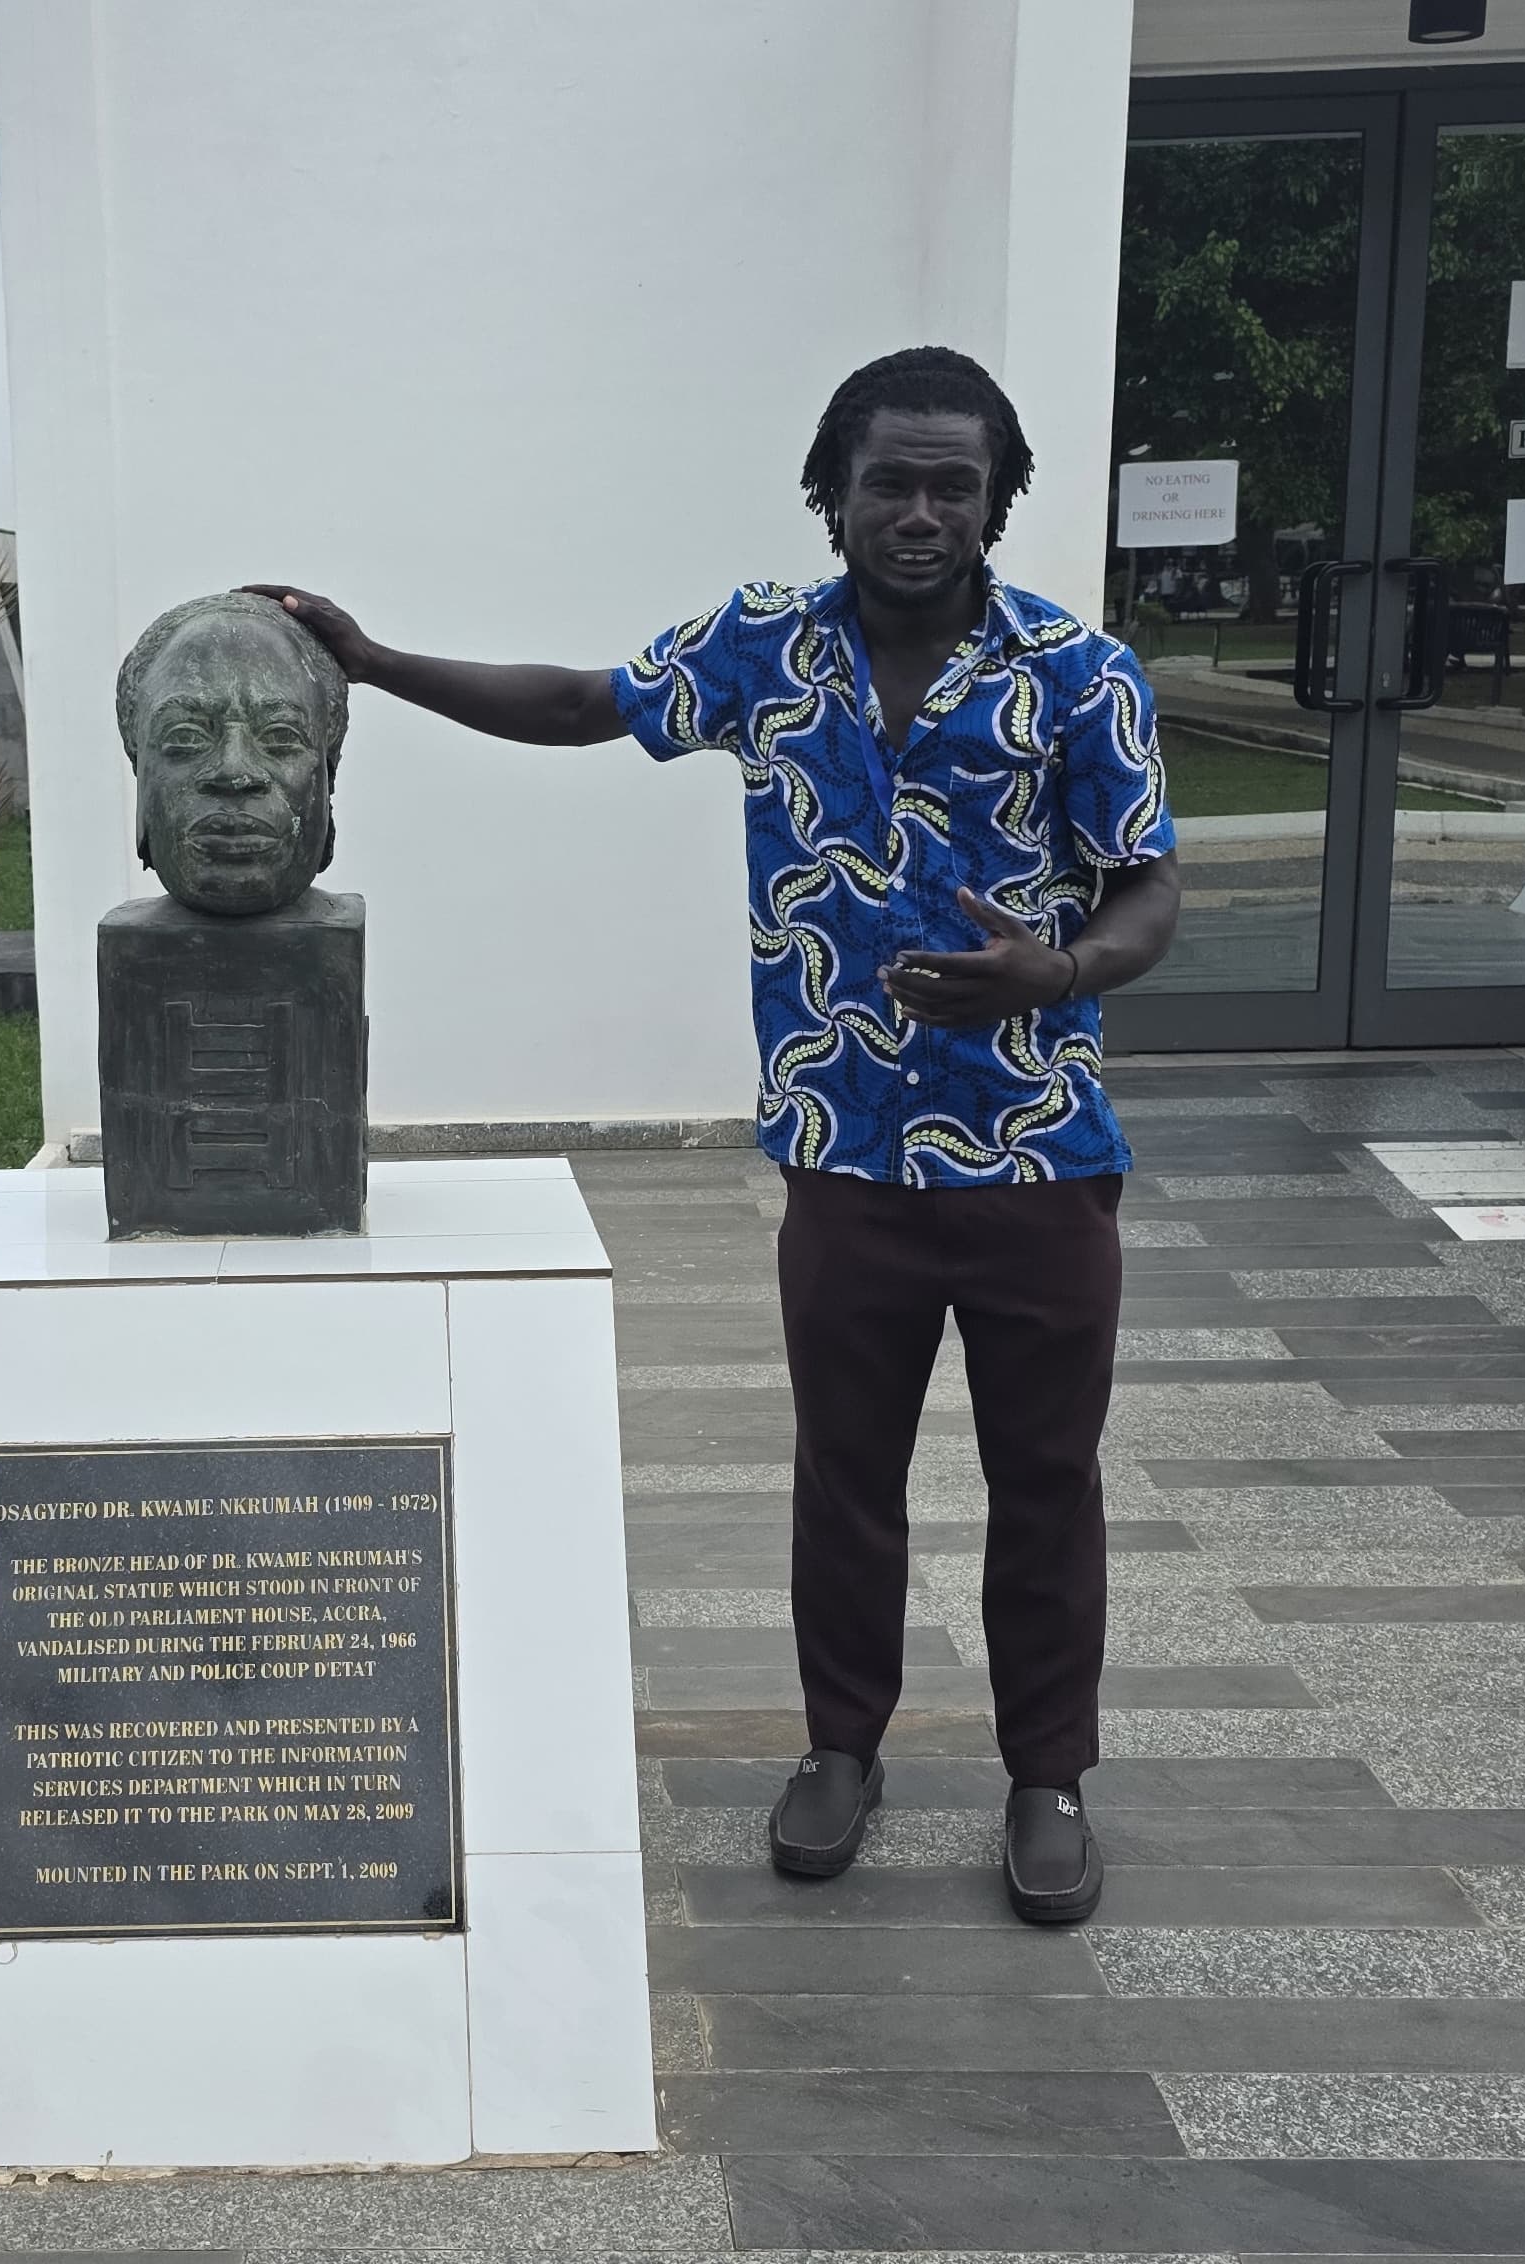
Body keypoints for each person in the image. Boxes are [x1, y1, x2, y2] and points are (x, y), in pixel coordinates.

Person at [246, 344, 1180, 1926]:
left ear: (996, 503)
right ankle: (840, 1748)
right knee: (845, 1473)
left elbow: (1147, 881)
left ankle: (1045, 1778)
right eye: (888, 479)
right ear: (830, 495)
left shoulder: (1075, 673)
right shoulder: (762, 651)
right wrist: (374, 661)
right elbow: (582, 704)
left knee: (1044, 1480)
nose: (919, 511)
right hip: (844, 1160)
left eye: (954, 484)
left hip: (1036, 1158)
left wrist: (1063, 970)